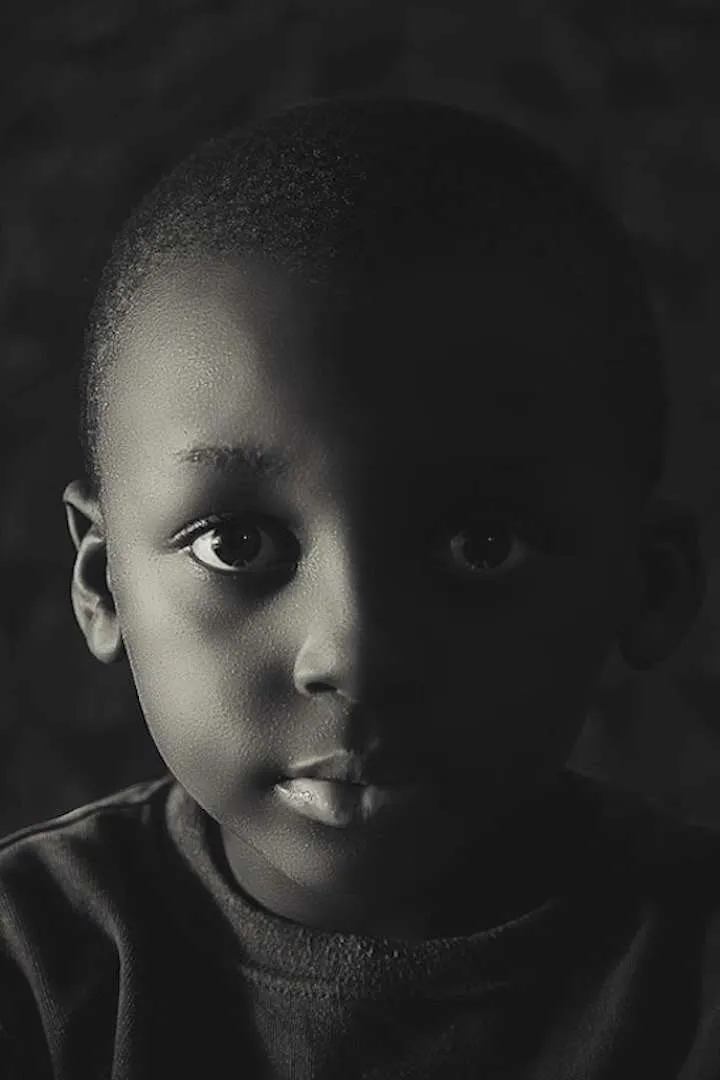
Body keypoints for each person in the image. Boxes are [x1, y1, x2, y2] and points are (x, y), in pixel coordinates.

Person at [0, 96, 715, 1079]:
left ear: (650, 584)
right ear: (102, 581)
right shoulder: (31, 973)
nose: (354, 653)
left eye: (481, 544)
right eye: (238, 544)